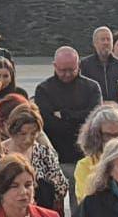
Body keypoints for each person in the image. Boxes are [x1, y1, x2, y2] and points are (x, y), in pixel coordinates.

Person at [35, 47, 103, 176]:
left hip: (85, 156)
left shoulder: (92, 87)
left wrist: (65, 114)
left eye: (71, 70)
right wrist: (79, 118)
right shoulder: (43, 89)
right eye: (62, 70)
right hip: (54, 157)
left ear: (78, 65)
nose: (67, 74)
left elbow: (94, 118)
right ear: (54, 66)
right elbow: (47, 123)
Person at [0, 103, 66, 211]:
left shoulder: (44, 153)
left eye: (33, 134)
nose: (28, 139)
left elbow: (61, 187)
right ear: (12, 130)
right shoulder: (0, 154)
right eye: (23, 134)